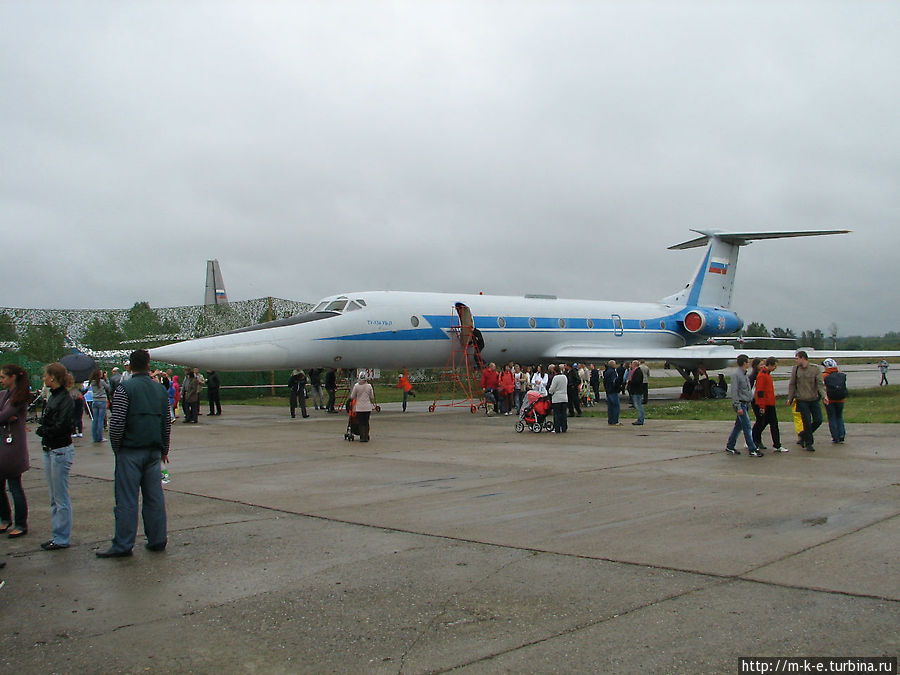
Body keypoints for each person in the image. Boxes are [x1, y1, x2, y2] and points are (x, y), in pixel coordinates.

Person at [96, 349, 171, 558]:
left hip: (130, 450)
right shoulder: (159, 390)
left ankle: (123, 543)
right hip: (153, 450)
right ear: (148, 365)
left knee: (127, 499)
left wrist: (116, 447)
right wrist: (164, 449)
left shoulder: (124, 389)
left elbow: (117, 421)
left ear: (130, 366)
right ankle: (157, 539)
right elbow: (166, 422)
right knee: (154, 496)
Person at [36, 362, 75, 550]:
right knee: (55, 496)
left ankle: (61, 537)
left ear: (52, 377)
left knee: (60, 497)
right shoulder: (54, 397)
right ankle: (57, 533)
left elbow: (63, 426)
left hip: (59, 449)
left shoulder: (64, 399)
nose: (43, 379)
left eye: (45, 376)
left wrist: (45, 430)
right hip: (51, 449)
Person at [0, 364, 31, 539]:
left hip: (12, 448)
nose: (1, 381)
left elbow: (5, 415)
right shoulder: (4, 395)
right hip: (3, 446)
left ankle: (20, 523)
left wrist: (5, 416)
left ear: (13, 377)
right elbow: (4, 415)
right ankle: (5, 517)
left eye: (3, 377)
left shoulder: (18, 397)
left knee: (14, 486)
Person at [787, 350, 827, 452]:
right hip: (801, 399)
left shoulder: (815, 369)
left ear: (802, 358)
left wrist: (824, 396)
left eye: (797, 358)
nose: (796, 361)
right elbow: (792, 384)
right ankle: (809, 443)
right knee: (807, 422)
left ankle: (803, 434)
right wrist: (790, 398)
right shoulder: (795, 369)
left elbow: (820, 384)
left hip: (813, 399)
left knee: (818, 420)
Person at [725, 354, 762, 457]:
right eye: (748, 362)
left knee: (738, 427)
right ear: (744, 363)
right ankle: (752, 449)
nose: (749, 363)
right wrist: (738, 406)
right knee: (747, 427)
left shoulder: (745, 374)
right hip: (740, 404)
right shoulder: (736, 375)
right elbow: (734, 391)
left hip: (746, 403)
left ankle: (730, 445)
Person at [752, 357, 785, 452]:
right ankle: (755, 440)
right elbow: (760, 392)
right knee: (763, 423)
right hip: (765, 404)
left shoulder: (767, 374)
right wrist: (761, 406)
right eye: (774, 366)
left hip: (770, 403)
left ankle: (776, 444)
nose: (775, 368)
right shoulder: (762, 375)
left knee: (771, 423)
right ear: (770, 365)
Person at [822, 358, 847, 444]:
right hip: (841, 399)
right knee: (839, 417)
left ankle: (835, 437)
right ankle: (842, 435)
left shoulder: (824, 376)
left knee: (832, 417)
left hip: (829, 400)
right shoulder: (841, 375)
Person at [349, 373, 377, 442]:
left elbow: (352, 396)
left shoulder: (356, 386)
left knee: (361, 423)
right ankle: (366, 436)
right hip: (367, 407)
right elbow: (372, 397)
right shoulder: (369, 386)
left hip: (359, 407)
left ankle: (362, 437)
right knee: (366, 422)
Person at [88, 368, 110, 443]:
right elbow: (108, 387)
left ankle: (95, 437)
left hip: (95, 401)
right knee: (101, 420)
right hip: (102, 400)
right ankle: (100, 437)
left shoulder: (92, 382)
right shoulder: (102, 382)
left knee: (95, 420)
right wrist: (106, 378)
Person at [547, 365, 569, 433]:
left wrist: (550, 391)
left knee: (557, 414)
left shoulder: (555, 378)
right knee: (563, 414)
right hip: (564, 397)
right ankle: (564, 428)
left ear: (554, 371)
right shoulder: (564, 377)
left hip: (557, 398)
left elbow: (552, 388)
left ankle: (557, 428)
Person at [603, 360, 621, 426]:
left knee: (610, 407)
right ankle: (615, 420)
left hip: (608, 391)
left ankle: (610, 420)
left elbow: (604, 382)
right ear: (613, 365)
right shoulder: (613, 372)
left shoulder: (606, 372)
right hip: (613, 391)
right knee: (616, 406)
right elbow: (614, 381)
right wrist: (618, 386)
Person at [627, 360, 645, 425]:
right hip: (635, 391)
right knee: (637, 405)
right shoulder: (635, 371)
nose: (631, 365)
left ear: (634, 365)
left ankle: (640, 419)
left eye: (632, 364)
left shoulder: (638, 372)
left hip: (637, 391)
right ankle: (640, 419)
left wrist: (630, 382)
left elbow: (637, 381)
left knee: (638, 405)